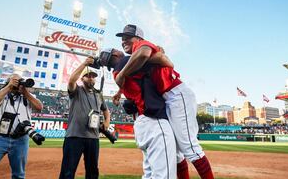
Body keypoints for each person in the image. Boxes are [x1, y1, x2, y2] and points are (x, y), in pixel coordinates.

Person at [115, 24, 214, 179]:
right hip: (168, 99)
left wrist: (122, 73)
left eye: (128, 37)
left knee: (189, 147)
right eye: (122, 38)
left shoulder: (141, 46)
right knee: (176, 154)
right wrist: (118, 91)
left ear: (139, 38)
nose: (124, 40)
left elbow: (145, 54)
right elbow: (141, 74)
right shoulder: (134, 58)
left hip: (177, 94)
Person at [109, 49, 177, 179]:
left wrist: (119, 92)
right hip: (154, 121)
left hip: (141, 122)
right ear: (116, 55)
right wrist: (158, 51)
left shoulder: (123, 75)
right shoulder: (126, 61)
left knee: (149, 173)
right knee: (164, 175)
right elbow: (165, 61)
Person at [59, 57, 110, 179]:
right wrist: (84, 64)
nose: (91, 78)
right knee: (68, 171)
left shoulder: (98, 94)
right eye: (88, 76)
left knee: (92, 171)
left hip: (93, 137)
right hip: (74, 136)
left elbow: (106, 110)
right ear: (82, 79)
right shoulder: (77, 91)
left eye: (93, 76)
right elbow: (71, 81)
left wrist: (107, 121)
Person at [0, 74, 43, 179]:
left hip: (21, 140)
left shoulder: (27, 96)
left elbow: (39, 107)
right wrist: (9, 87)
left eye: (20, 81)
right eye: (16, 81)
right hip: (0, 138)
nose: (18, 83)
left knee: (19, 174)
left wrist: (25, 92)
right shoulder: (2, 94)